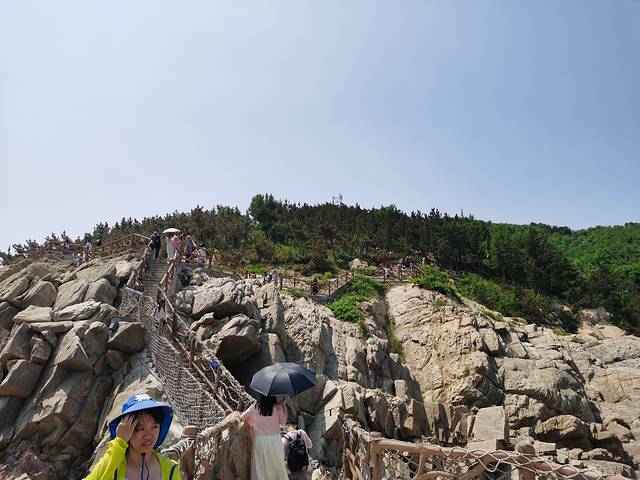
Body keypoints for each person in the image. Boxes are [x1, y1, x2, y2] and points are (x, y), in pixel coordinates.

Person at [84, 393, 182, 480]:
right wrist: (119, 442)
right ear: (126, 430)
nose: (148, 435)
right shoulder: (113, 468)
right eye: (141, 428)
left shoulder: (170, 470)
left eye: (154, 427)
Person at [241, 394, 289, 480]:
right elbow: (283, 422)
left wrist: (254, 424)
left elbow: (243, 417)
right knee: (276, 464)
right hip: (275, 440)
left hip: (260, 440)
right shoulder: (278, 407)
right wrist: (283, 405)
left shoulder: (255, 407)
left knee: (261, 465)